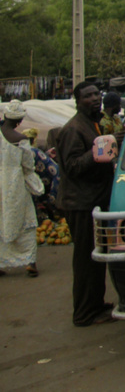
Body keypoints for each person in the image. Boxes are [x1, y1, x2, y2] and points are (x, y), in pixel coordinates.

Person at [57, 82, 115, 326]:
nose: (94, 99)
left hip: (93, 201)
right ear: (77, 101)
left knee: (96, 258)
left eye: (96, 94)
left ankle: (96, 305)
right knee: (85, 261)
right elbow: (71, 166)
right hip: (81, 204)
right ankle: (84, 313)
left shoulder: (93, 124)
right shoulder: (73, 128)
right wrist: (95, 153)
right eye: (88, 96)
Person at [0, 100, 40, 278]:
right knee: (26, 220)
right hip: (15, 185)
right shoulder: (21, 140)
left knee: (2, 221)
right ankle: (30, 262)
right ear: (19, 121)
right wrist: (36, 186)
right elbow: (28, 166)